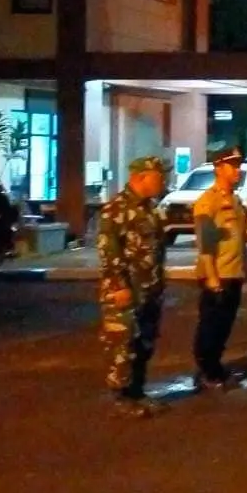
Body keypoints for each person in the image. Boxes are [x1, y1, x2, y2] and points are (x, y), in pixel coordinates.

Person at [96, 155, 170, 417]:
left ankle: (138, 392)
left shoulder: (150, 209)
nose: (163, 181)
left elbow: (156, 249)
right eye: (159, 177)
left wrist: (159, 284)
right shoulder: (115, 209)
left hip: (149, 289)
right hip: (125, 290)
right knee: (122, 345)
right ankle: (121, 398)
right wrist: (118, 286)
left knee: (144, 344)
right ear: (140, 177)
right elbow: (108, 249)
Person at [192, 148, 247, 390]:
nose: (237, 170)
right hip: (218, 275)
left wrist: (246, 264)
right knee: (211, 324)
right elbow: (205, 243)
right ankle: (207, 370)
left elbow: (240, 237)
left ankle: (215, 365)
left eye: (238, 165)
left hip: (233, 272)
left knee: (225, 324)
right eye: (232, 165)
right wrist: (212, 277)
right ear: (218, 168)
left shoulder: (235, 199)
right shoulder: (208, 202)